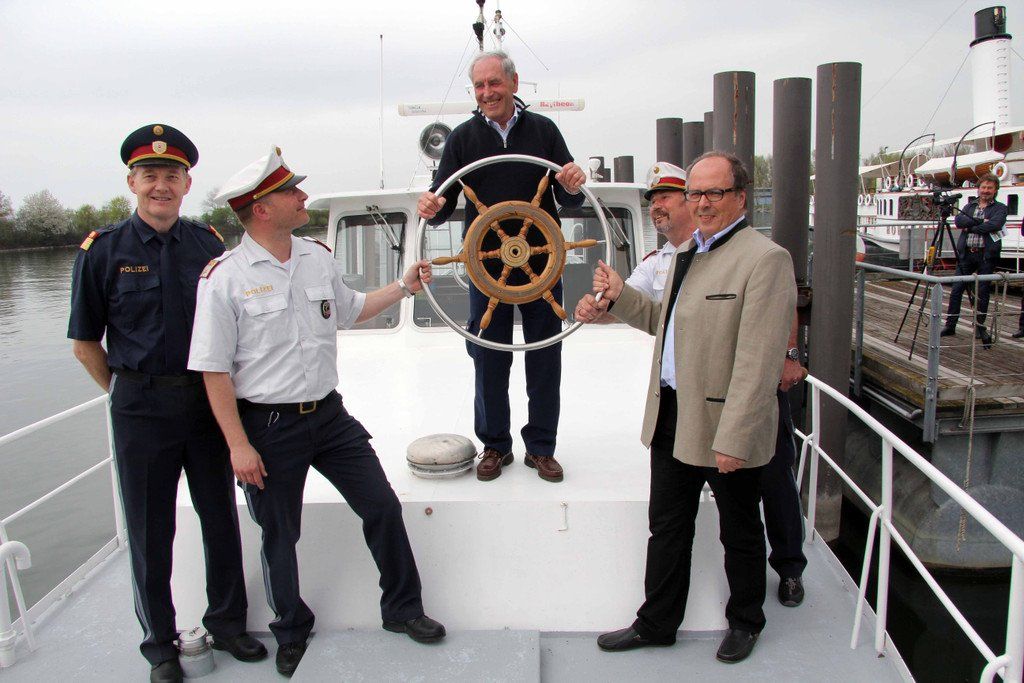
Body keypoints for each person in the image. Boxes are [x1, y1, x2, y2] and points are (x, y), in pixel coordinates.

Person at [189, 147, 445, 677]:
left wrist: (404, 286)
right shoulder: (224, 278)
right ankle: (291, 630)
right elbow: (213, 372)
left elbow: (350, 310)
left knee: (381, 506)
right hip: (267, 426)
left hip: (330, 417)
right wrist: (238, 445)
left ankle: (402, 610)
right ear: (262, 208)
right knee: (280, 534)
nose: (302, 196)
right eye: (291, 191)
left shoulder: (316, 257)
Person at [68, 124, 265, 683]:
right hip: (140, 409)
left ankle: (228, 624)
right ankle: (159, 646)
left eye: (172, 175)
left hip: (205, 405)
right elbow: (85, 344)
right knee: (151, 533)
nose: (161, 185)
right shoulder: (102, 251)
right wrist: (126, 393)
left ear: (187, 184)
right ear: (132, 182)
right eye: (150, 175)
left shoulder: (207, 245)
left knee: (220, 519)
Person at [592, 152, 795, 664]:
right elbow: (663, 322)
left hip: (725, 421)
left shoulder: (765, 259)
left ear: (740, 198)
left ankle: (745, 621)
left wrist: (735, 437)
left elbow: (759, 360)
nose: (702, 203)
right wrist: (620, 296)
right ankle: (657, 623)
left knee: (739, 528)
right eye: (695, 193)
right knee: (667, 526)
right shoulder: (685, 253)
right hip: (672, 414)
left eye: (714, 193)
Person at [417, 50, 586, 483]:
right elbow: (443, 201)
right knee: (488, 357)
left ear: (513, 82)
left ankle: (541, 448)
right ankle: (495, 445)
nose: (487, 92)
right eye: (479, 85)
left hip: (542, 265)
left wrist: (572, 184)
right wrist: (431, 206)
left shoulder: (544, 131)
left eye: (494, 83)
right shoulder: (462, 139)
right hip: (485, 269)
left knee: (545, 357)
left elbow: (568, 199)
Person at [939, 173, 1008, 347]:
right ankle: (950, 324)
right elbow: (959, 221)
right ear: (979, 188)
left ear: (995, 190)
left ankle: (979, 326)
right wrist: (980, 222)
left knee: (982, 292)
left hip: (986, 254)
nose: (986, 191)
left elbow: (995, 224)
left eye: (989, 188)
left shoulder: (1000, 208)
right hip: (966, 254)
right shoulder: (970, 206)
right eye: (983, 187)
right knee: (956, 289)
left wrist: (971, 227)